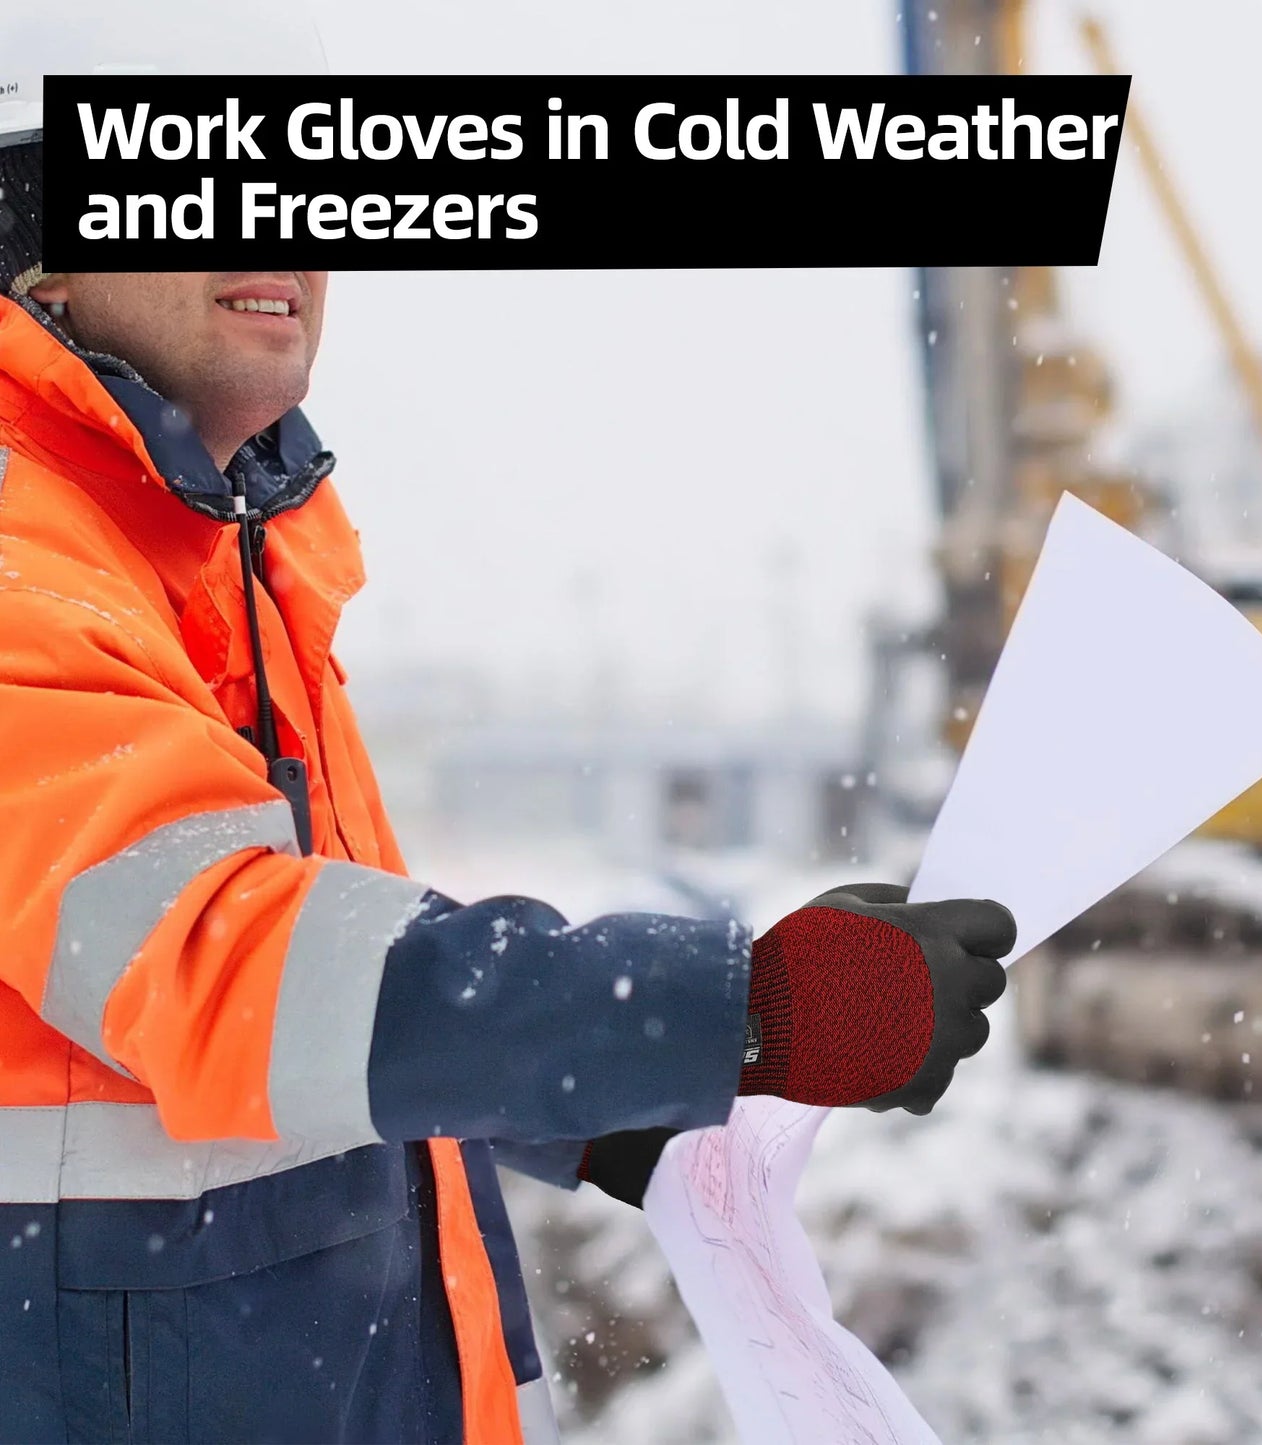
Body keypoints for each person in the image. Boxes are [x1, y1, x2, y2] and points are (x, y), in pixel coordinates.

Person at [0, 33, 1014, 1445]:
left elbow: (335, 989)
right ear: (33, 231)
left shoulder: (206, 558)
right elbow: (236, 967)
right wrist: (740, 1008)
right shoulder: (23, 554)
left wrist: (606, 1114)